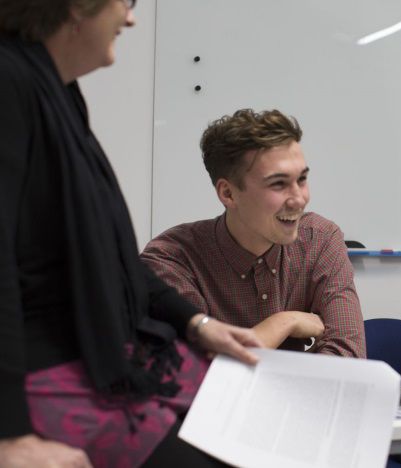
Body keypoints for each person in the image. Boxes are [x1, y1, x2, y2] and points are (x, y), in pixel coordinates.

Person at [0, 1, 264, 466]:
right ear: (77, 7)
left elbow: (110, 259)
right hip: (48, 371)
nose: (131, 18)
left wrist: (196, 323)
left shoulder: (57, 92)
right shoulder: (10, 81)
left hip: (102, 355)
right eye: (126, 2)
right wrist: (8, 438)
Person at [140, 108, 365, 358]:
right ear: (228, 193)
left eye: (301, 179)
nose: (299, 199)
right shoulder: (172, 257)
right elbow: (194, 367)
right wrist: (283, 322)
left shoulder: (320, 239)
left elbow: (348, 356)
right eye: (278, 184)